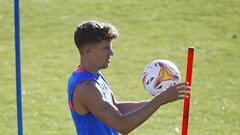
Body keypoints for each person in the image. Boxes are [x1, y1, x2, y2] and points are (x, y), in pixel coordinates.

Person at [67, 20, 190, 135]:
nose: (111, 52)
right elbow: (122, 125)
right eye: (106, 48)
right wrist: (160, 99)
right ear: (88, 51)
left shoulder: (94, 75)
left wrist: (160, 100)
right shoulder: (85, 88)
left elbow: (116, 107)